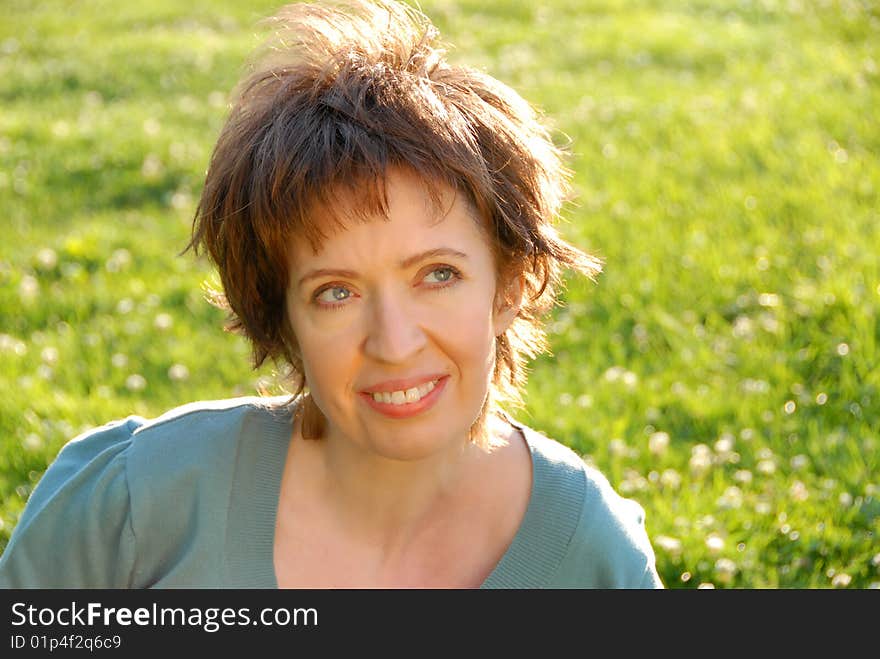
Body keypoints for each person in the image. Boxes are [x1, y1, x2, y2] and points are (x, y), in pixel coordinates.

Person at [0, 0, 663, 589]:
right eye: (336, 291)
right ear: (280, 314)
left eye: (437, 274)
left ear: (512, 281)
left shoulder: (592, 558)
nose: (395, 343)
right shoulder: (133, 509)